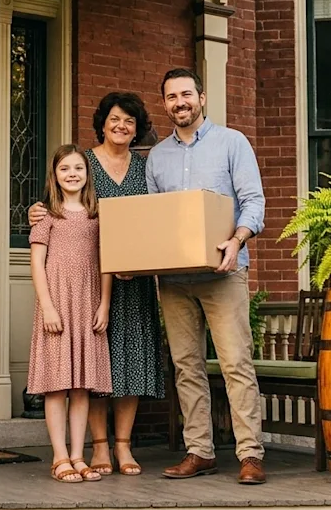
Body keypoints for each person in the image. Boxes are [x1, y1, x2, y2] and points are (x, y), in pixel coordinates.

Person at [28, 93, 163, 477]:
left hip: (131, 280)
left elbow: (156, 218)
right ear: (102, 122)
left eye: (130, 122)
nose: (122, 127)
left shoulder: (145, 169)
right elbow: (56, 204)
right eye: (115, 119)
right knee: (90, 366)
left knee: (130, 360)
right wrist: (36, 211)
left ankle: (123, 445)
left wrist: (141, 262)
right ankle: (98, 447)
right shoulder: (84, 163)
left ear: (137, 129)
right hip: (82, 286)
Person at [147, 68, 267, 485]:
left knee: (235, 363)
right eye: (171, 97)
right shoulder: (157, 157)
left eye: (186, 95)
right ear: (164, 104)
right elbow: (154, 218)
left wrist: (236, 241)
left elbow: (253, 202)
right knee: (186, 367)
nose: (179, 103)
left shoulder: (232, 142)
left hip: (224, 271)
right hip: (175, 278)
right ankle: (199, 451)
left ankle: (250, 453)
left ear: (202, 97)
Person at [26, 144, 114, 484]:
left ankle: (79, 455)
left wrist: (104, 303)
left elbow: (108, 262)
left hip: (88, 304)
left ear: (87, 174)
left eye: (78, 168)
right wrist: (47, 305)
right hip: (58, 304)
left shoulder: (97, 216)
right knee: (56, 385)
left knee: (82, 387)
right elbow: (36, 262)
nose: (72, 174)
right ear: (55, 175)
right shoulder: (48, 214)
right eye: (65, 169)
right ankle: (59, 457)